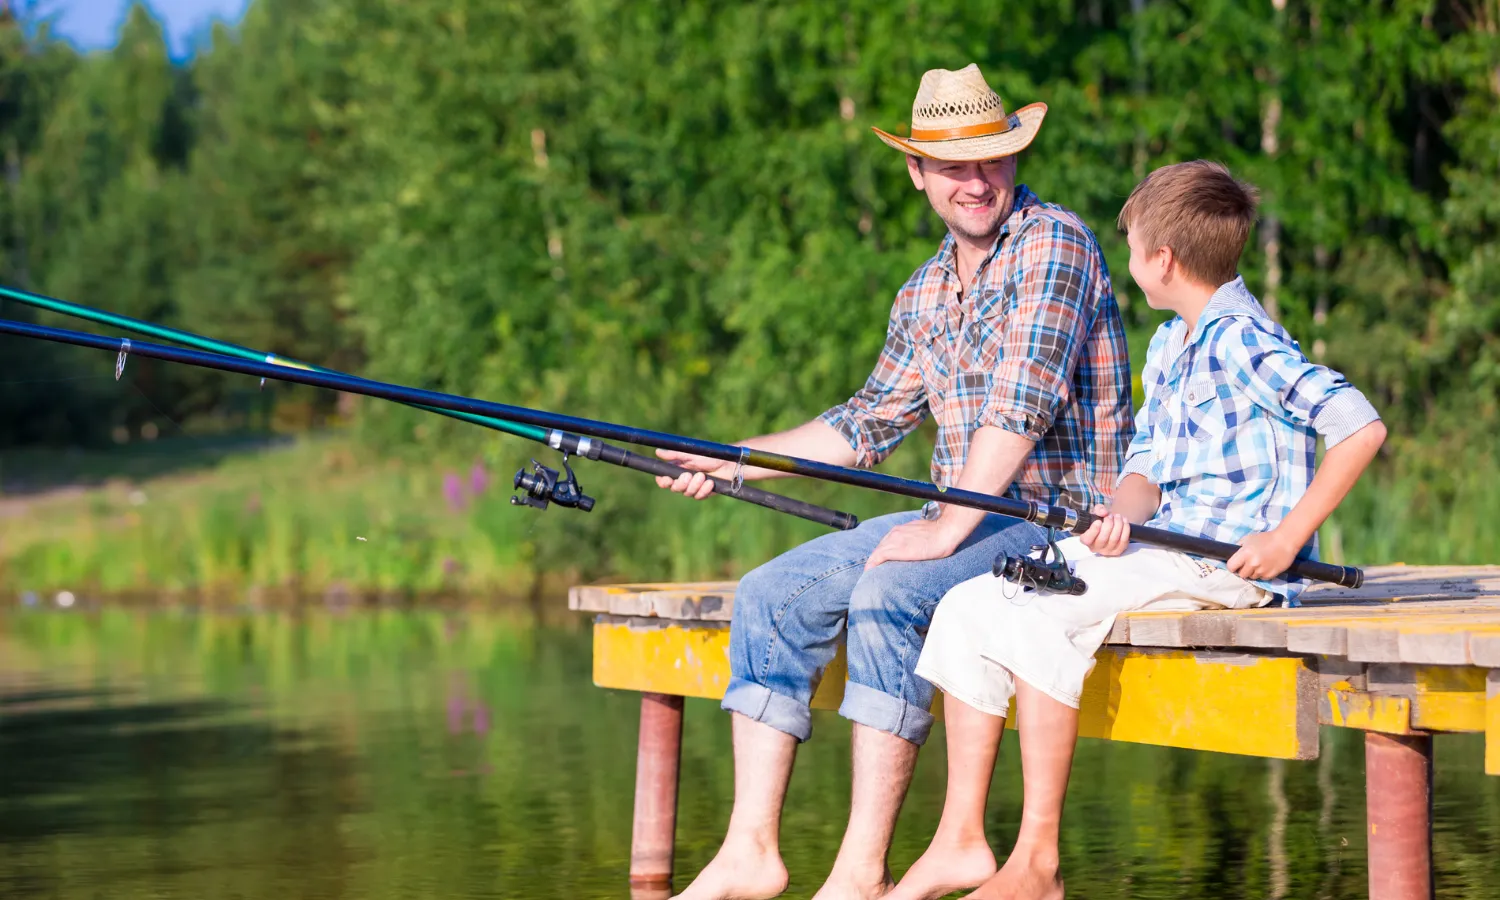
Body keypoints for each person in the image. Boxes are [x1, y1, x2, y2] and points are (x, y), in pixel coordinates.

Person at [654, 64, 1133, 900]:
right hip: (960, 516)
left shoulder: (1056, 242)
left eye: (991, 160)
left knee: (893, 589)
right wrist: (731, 458)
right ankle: (750, 853)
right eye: (953, 165)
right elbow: (864, 422)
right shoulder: (922, 293)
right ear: (918, 173)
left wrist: (943, 532)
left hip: (1056, 525)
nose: (976, 182)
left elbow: (1017, 408)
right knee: (770, 592)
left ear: (1015, 161)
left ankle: (859, 874)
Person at [891, 160, 1388, 900]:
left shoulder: (1243, 340)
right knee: (971, 601)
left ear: (1163, 259)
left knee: (1034, 612)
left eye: (1130, 248)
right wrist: (1120, 511)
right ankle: (960, 840)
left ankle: (1036, 863)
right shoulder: (1170, 345)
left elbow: (1358, 425)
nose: (1126, 262)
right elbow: (1148, 464)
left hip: (1225, 566)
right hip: (1164, 550)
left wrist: (1285, 540)